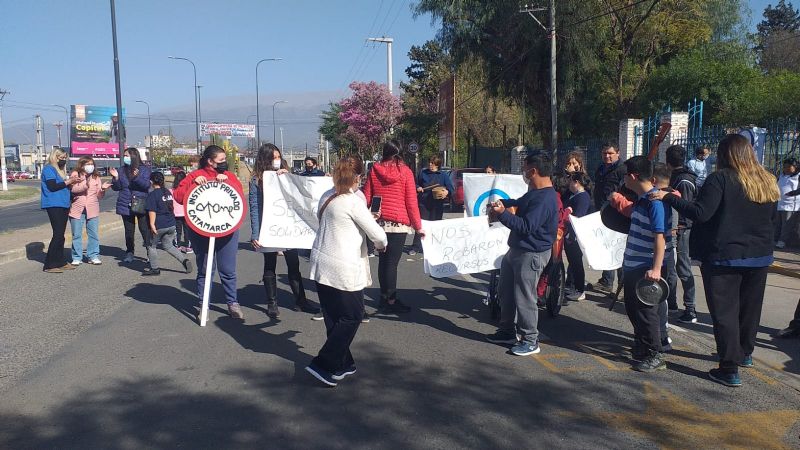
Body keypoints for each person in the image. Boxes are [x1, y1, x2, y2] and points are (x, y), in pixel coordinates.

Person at [651, 134, 779, 387]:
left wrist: (669, 197)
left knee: (725, 313)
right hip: (759, 255)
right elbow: (772, 217)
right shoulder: (767, 180)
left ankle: (729, 367)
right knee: (749, 310)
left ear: (723, 155)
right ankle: (745, 354)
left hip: (725, 257)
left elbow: (701, 213)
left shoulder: (720, 179)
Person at [305, 157, 389, 387]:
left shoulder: (328, 196)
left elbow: (332, 220)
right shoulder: (352, 201)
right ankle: (324, 364)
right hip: (342, 265)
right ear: (358, 177)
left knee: (333, 315)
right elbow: (379, 236)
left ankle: (343, 362)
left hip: (322, 262)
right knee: (353, 315)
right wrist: (381, 245)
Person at [485, 152, 559, 356]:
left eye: (525, 169)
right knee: (505, 291)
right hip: (516, 250)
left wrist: (502, 214)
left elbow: (526, 226)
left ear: (533, 171)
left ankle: (530, 339)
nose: (523, 173)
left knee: (525, 297)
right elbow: (520, 201)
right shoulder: (534, 192)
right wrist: (505, 203)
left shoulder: (545, 198)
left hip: (531, 253)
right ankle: (507, 330)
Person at [248, 144, 320, 319]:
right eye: (273, 157)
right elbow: (255, 207)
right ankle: (272, 303)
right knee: (269, 265)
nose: (277, 160)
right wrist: (256, 233)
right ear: (265, 159)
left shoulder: (286, 173)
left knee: (293, 265)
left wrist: (288, 177)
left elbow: (300, 193)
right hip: (271, 228)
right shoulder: (257, 179)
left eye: (279, 156)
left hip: (288, 228)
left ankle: (300, 301)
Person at [174, 145, 245, 320]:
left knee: (227, 270)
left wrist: (227, 181)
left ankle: (232, 303)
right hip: (201, 232)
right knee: (205, 270)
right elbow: (178, 196)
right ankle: (203, 306)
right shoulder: (195, 176)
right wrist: (193, 183)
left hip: (227, 231)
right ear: (210, 161)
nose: (224, 163)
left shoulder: (229, 176)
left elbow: (239, 196)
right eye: (221, 160)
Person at [617, 156, 671, 373]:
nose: (624, 180)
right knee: (633, 309)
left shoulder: (655, 202)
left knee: (646, 313)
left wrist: (656, 269)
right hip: (632, 265)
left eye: (625, 175)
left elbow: (660, 238)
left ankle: (655, 354)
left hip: (646, 268)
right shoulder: (642, 199)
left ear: (632, 176)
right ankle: (641, 345)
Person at [363, 141, 425, 314]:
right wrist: (418, 227)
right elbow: (411, 202)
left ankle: (384, 297)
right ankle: (390, 300)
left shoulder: (374, 170)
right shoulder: (405, 172)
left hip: (379, 222)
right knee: (392, 263)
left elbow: (366, 196)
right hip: (398, 223)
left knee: (383, 262)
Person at [665, 145, 698, 322]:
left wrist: (679, 226)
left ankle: (690, 308)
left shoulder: (684, 181)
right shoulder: (675, 177)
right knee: (670, 269)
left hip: (682, 229)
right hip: (675, 228)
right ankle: (671, 303)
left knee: (683, 269)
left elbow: (684, 208)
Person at [143, 171, 192, 276]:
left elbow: (152, 211)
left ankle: (155, 269)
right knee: (168, 246)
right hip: (170, 223)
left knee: (151, 246)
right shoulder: (167, 192)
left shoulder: (153, 195)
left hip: (159, 225)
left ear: (151, 181)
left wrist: (152, 225)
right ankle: (184, 261)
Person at [41, 148, 81, 273]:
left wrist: (71, 185)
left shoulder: (60, 171)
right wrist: (69, 181)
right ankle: (50, 264)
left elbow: (63, 186)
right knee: (57, 234)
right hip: (53, 204)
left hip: (63, 204)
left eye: (65, 158)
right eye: (61, 158)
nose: (63, 160)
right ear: (55, 157)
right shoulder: (49, 169)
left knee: (61, 235)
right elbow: (52, 186)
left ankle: (60, 261)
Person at [593, 143, 626, 293]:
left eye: (610, 153)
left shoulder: (622, 169)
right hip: (602, 213)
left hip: (617, 215)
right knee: (607, 248)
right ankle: (606, 281)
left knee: (618, 249)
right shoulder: (601, 168)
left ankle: (622, 287)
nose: (607, 156)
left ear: (617, 153)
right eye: (604, 153)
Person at [110, 148, 152, 263]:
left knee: (144, 229)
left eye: (127, 155)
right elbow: (116, 187)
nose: (125, 157)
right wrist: (116, 178)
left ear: (134, 156)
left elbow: (146, 186)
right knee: (129, 231)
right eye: (124, 155)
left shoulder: (144, 169)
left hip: (140, 202)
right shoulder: (121, 170)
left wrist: (137, 177)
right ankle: (130, 252)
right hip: (125, 203)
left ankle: (150, 251)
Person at [68, 156, 112, 266]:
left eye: (91, 164)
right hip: (77, 208)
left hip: (92, 208)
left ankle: (93, 255)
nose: (90, 166)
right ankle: (77, 257)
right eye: (87, 164)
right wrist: (85, 185)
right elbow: (73, 189)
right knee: (76, 234)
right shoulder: (75, 174)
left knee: (93, 234)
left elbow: (99, 195)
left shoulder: (96, 177)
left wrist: (103, 189)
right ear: (82, 165)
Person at [411, 155, 454, 254]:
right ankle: (416, 247)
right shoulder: (423, 173)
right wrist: (418, 187)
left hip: (437, 205)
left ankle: (434, 247)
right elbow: (416, 183)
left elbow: (451, 189)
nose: (430, 165)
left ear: (437, 165)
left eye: (432, 163)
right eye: (430, 162)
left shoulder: (443, 176)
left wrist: (446, 192)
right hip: (424, 203)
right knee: (421, 225)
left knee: (435, 226)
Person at [564, 172, 592, 301]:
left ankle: (580, 290)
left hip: (575, 235)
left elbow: (578, 218)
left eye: (570, 181)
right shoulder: (575, 196)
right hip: (571, 233)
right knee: (573, 263)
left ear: (576, 182)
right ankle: (574, 286)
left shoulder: (582, 197)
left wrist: (572, 235)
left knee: (576, 263)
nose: (569, 184)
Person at [775, 157, 799, 249]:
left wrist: (793, 193)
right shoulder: (781, 176)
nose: (786, 168)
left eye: (789, 167)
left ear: (795, 167)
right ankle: (776, 239)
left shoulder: (798, 176)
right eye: (785, 167)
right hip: (780, 203)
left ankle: (782, 241)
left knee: (787, 225)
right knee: (778, 224)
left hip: (791, 205)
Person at [171, 171, 192, 254]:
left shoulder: (171, 190)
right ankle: (188, 246)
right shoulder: (188, 189)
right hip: (186, 213)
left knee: (177, 230)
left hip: (176, 214)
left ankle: (178, 245)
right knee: (187, 231)